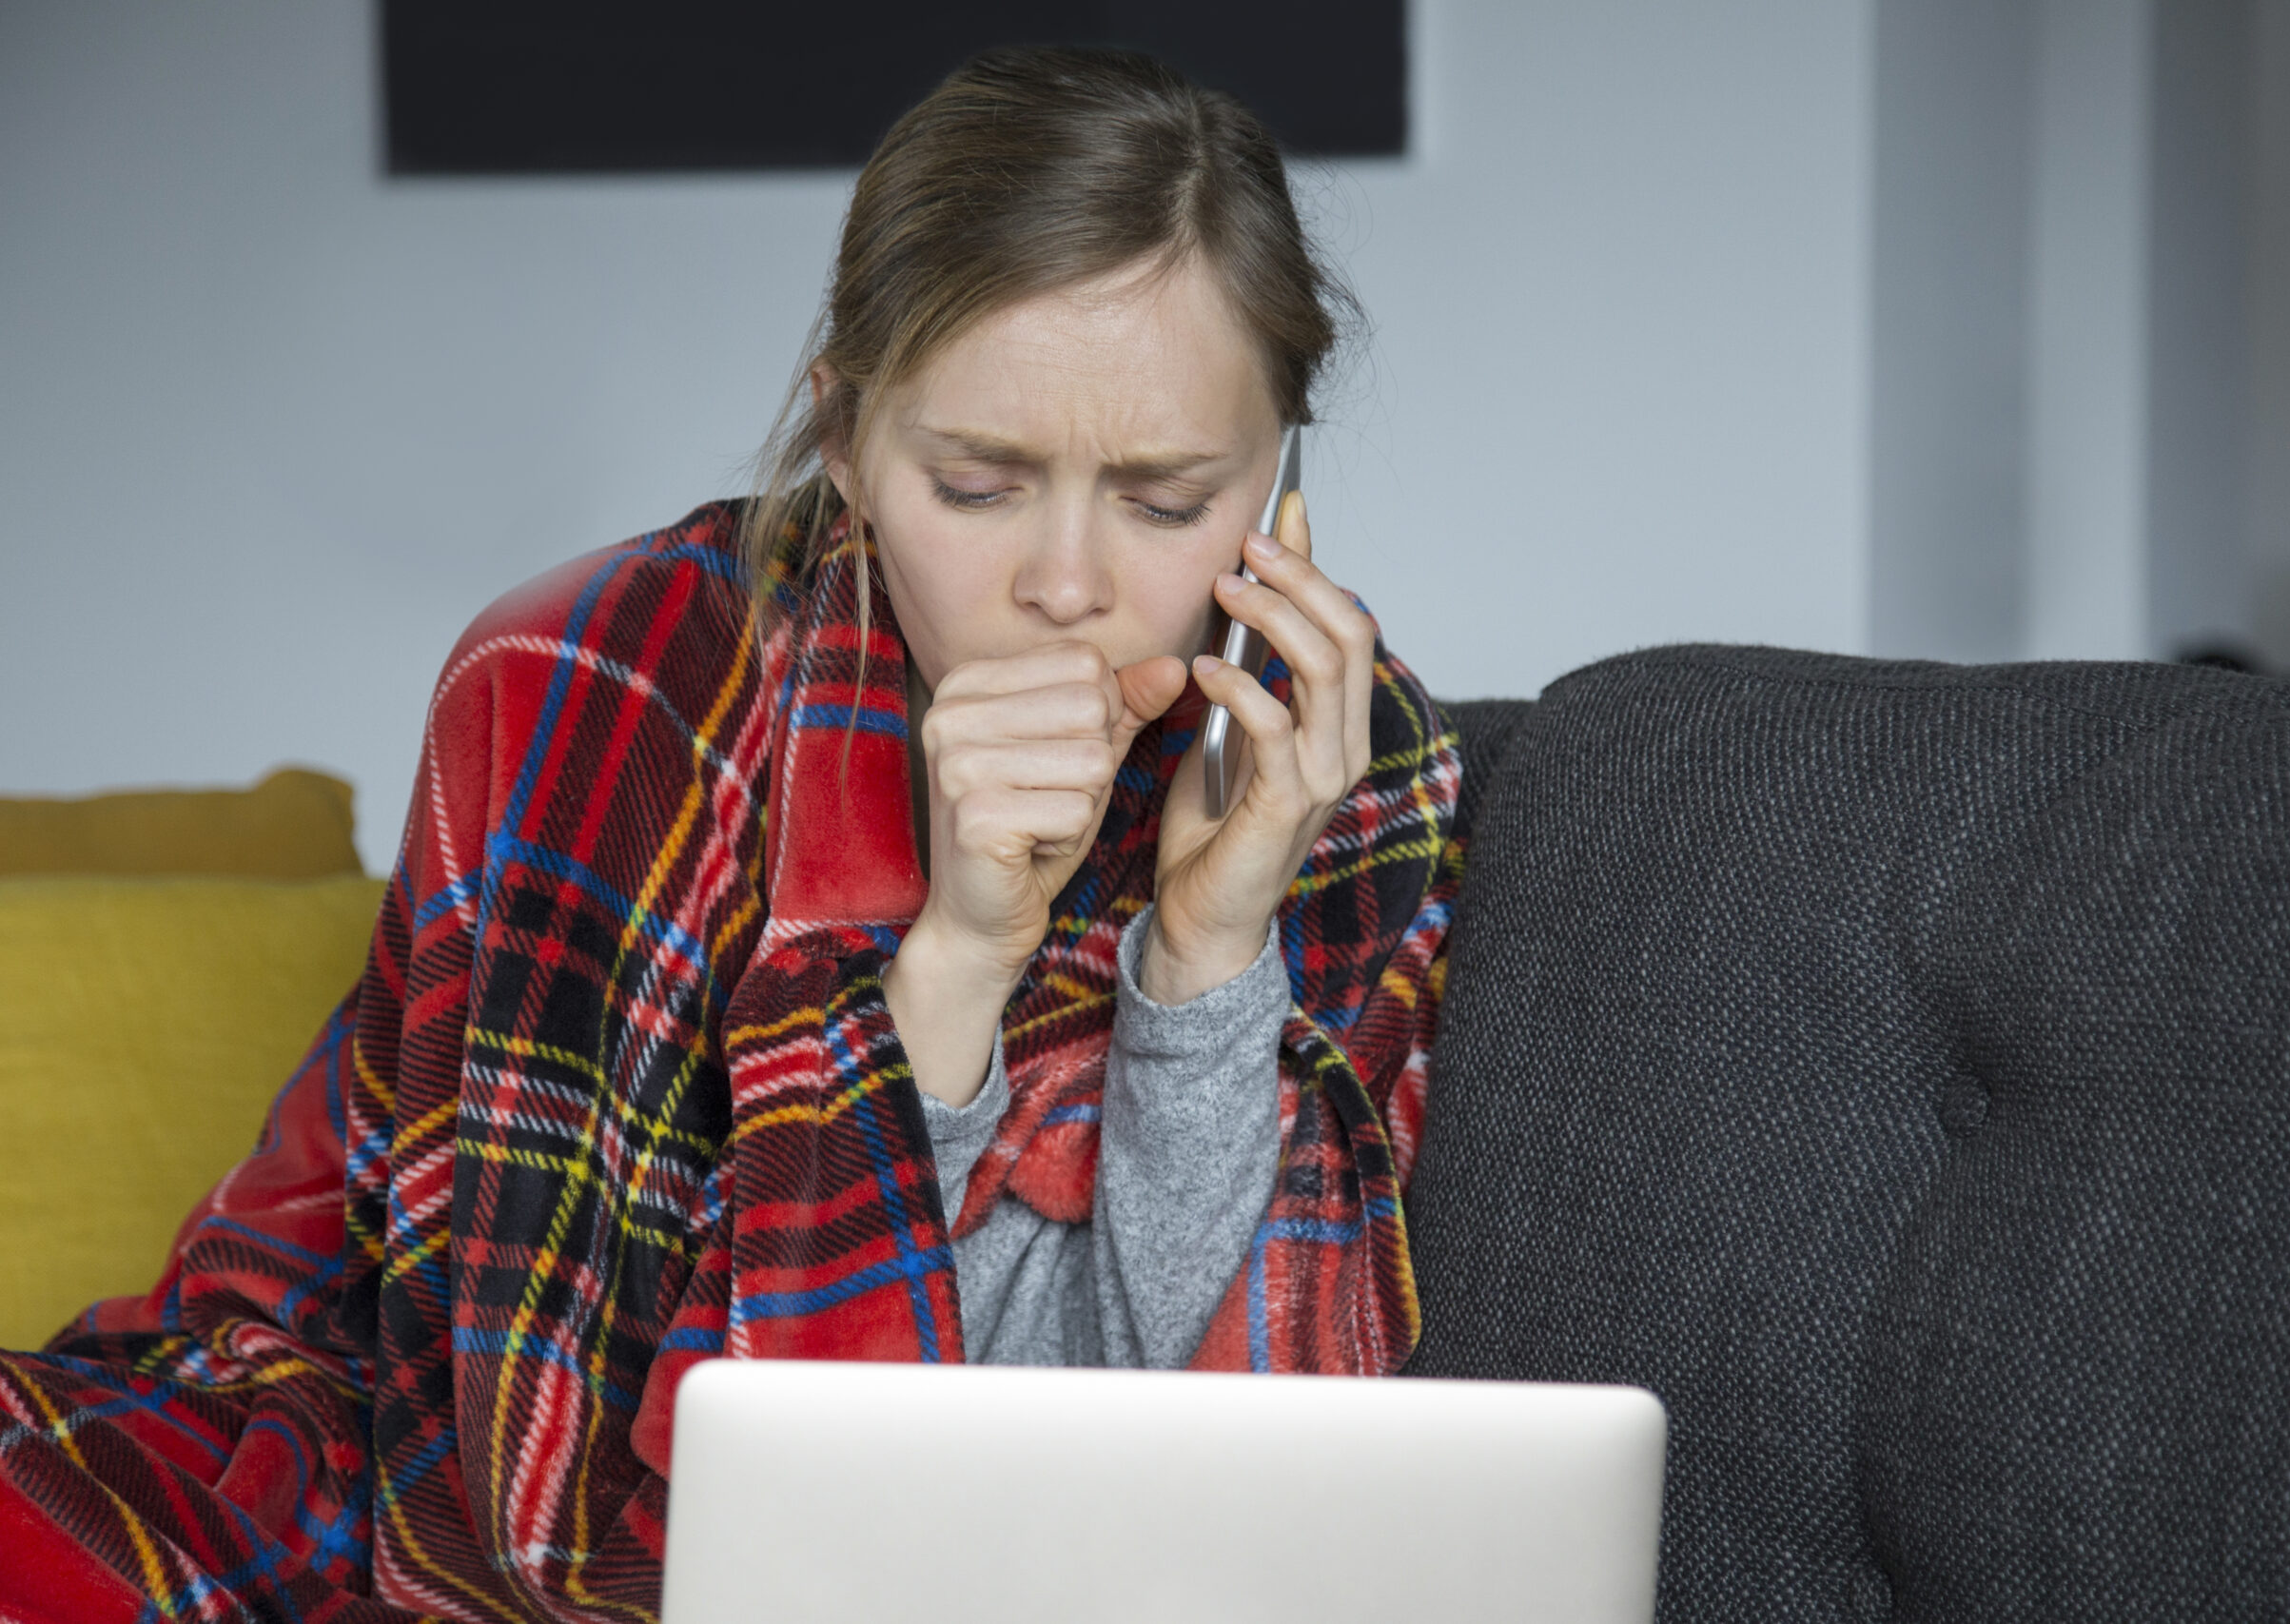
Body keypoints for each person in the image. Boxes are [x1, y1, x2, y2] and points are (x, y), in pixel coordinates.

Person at [0, 46, 1464, 1620]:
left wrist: (1203, 959)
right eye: (975, 485)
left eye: (1167, 504)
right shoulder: (587, 692)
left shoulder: (1337, 766)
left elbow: (1210, 1489)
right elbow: (581, 1512)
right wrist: (955, 966)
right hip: (346, 1452)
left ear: (1281, 479)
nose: (1064, 586)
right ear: (844, 441)